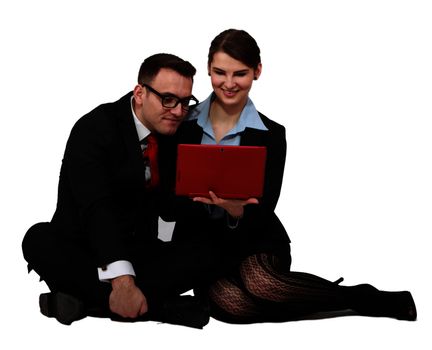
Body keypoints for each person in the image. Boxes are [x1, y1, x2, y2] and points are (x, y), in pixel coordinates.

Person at [171, 29, 417, 324]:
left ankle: (365, 298)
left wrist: (237, 212)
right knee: (233, 306)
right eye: (220, 72)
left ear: (257, 72)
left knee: (262, 283)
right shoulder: (181, 123)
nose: (229, 83)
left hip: (256, 240)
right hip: (204, 247)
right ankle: (330, 296)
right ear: (208, 69)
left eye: (241, 73)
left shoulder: (273, 135)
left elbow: (264, 208)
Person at [22, 53, 222, 328]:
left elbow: (171, 209)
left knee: (208, 246)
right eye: (167, 99)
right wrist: (122, 281)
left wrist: (214, 196)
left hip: (141, 251)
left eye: (185, 102)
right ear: (139, 93)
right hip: (87, 249)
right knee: (37, 238)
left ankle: (85, 304)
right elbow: (96, 209)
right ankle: (162, 308)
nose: (178, 111)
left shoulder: (175, 133)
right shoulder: (94, 128)